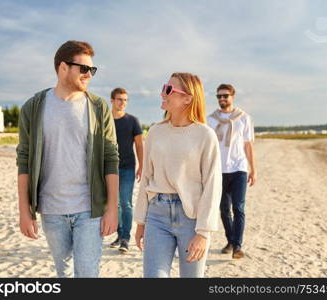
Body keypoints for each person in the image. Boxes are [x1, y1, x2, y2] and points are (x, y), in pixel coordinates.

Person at [16, 40, 119, 277]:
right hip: (51, 210)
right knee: (64, 273)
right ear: (63, 67)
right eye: (84, 69)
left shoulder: (99, 107)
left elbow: (110, 158)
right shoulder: (32, 107)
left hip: (89, 210)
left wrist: (112, 207)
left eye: (92, 70)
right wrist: (25, 211)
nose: (89, 75)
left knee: (87, 274)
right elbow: (24, 160)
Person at [134, 73, 222, 278]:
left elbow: (212, 185)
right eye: (164, 87)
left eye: (169, 90)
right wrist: (140, 222)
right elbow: (146, 177)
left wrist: (203, 233)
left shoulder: (205, 135)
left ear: (187, 98)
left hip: (191, 219)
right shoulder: (155, 131)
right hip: (156, 216)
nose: (162, 93)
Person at [206, 83, 257, 259]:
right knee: (224, 209)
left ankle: (237, 246)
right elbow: (207, 147)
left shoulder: (244, 118)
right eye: (219, 96)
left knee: (239, 207)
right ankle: (230, 240)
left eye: (225, 96)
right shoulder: (211, 120)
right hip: (218, 170)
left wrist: (253, 169)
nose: (222, 99)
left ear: (232, 96)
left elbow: (248, 145)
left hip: (239, 168)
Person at [109, 88, 143, 253]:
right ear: (112, 100)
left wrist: (141, 166)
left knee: (126, 203)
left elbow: (139, 145)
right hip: (109, 169)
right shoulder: (105, 121)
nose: (122, 103)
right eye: (119, 99)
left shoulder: (133, 121)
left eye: (125, 100)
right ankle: (119, 234)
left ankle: (126, 238)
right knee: (114, 205)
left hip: (128, 167)